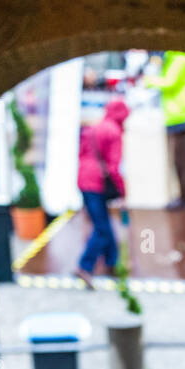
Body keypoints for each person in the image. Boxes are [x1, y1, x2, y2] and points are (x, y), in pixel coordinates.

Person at [145, 51, 185, 208]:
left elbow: (169, 81)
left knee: (182, 159)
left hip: (181, 112)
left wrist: (147, 80)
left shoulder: (179, 57)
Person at [74, 99, 128, 287]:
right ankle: (84, 266)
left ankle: (112, 262)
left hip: (83, 179)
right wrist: (123, 193)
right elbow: (114, 167)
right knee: (102, 228)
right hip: (96, 183)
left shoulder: (96, 127)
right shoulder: (114, 132)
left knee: (102, 222)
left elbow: (82, 153)